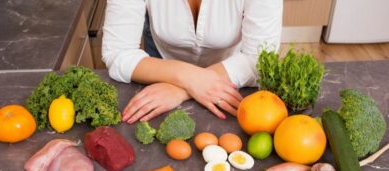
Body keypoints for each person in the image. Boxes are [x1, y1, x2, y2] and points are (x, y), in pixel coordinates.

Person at [102, 0, 283, 124]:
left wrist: (180, 90)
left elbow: (259, 59)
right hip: (162, 68)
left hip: (231, 73)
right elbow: (118, 52)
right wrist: (188, 78)